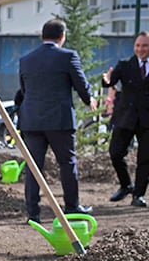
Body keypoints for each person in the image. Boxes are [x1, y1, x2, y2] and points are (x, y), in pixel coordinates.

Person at [16, 19, 95, 222]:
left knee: (34, 167)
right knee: (67, 163)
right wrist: (89, 99)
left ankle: (33, 213)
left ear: (43, 36)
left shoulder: (26, 60)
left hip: (32, 121)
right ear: (62, 36)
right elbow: (80, 83)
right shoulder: (68, 56)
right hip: (59, 121)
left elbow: (24, 90)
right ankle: (71, 207)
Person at [101, 32, 149, 208]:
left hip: (147, 120)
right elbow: (109, 81)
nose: (140, 49)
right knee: (115, 153)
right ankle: (126, 185)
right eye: (138, 45)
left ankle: (138, 195)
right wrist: (106, 80)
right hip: (126, 117)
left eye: (144, 45)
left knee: (145, 159)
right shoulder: (124, 65)